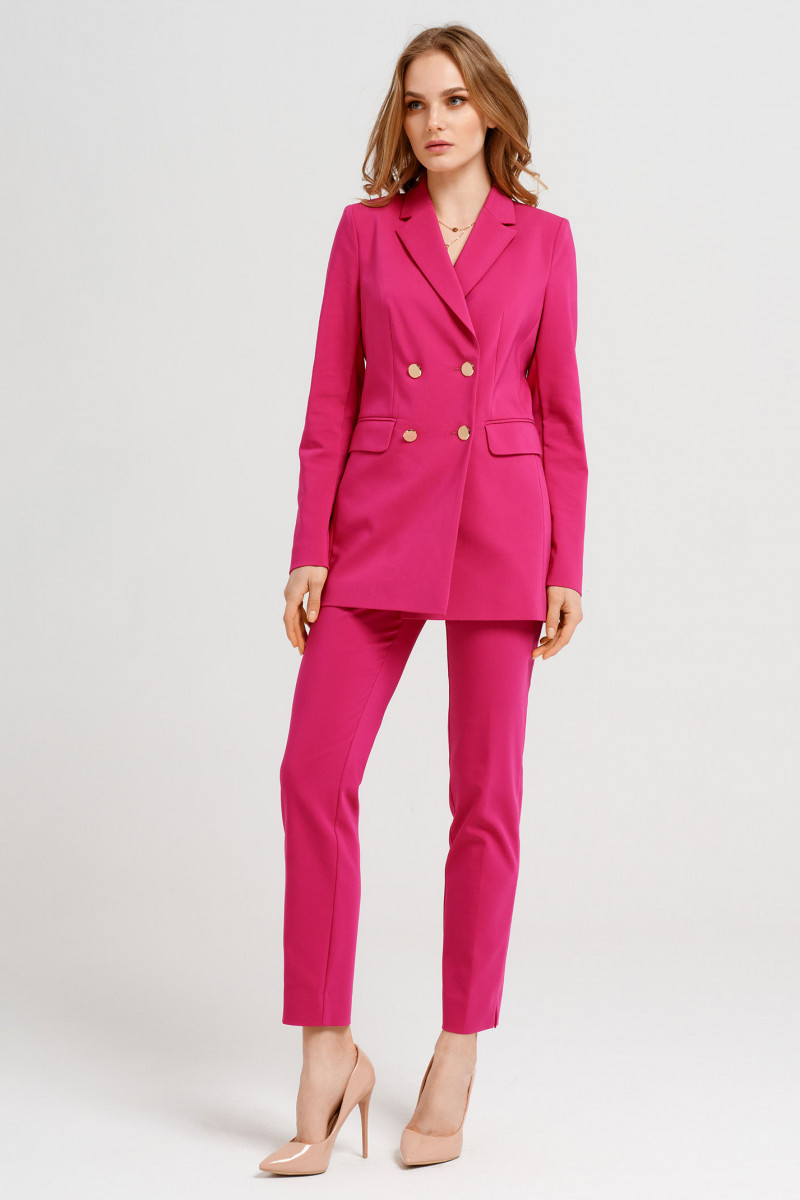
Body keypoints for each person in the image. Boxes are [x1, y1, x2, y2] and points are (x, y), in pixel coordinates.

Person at [259, 22, 589, 1175]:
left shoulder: (542, 241)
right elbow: (328, 400)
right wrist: (310, 544)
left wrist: (565, 560)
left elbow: (557, 412)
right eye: (414, 103)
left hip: (501, 525)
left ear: (488, 109)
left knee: (482, 798)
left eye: (452, 100)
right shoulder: (365, 233)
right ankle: (327, 1052)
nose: (433, 121)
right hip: (379, 521)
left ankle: (457, 1050)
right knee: (312, 774)